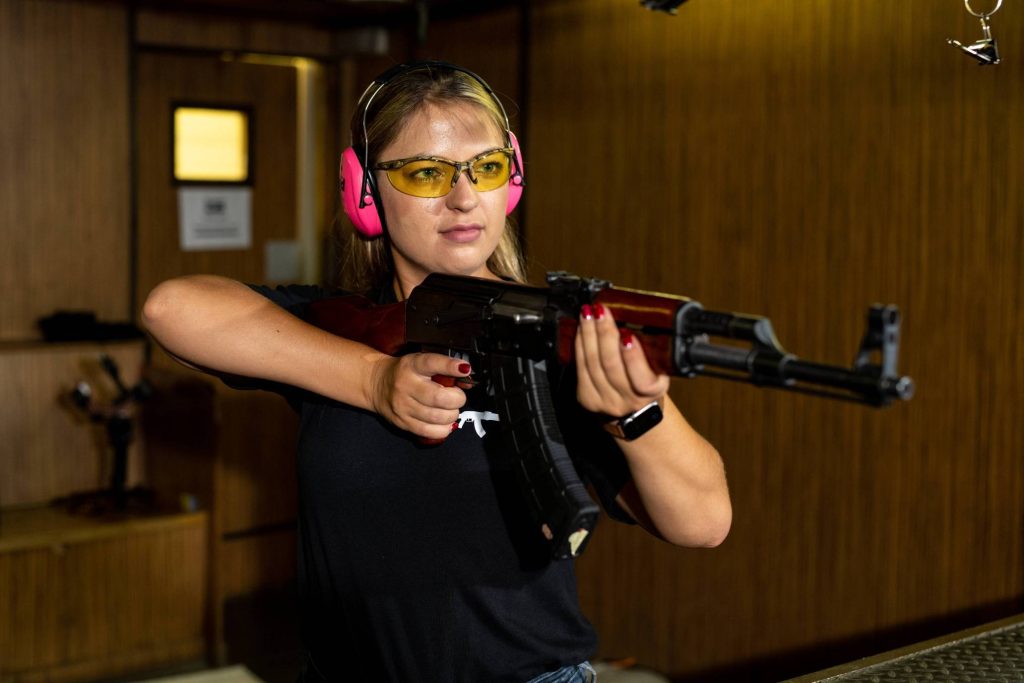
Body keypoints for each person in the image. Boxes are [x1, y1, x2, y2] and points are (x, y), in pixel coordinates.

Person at [142, 61, 731, 683]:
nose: (463, 197)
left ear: (514, 178)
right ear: (364, 192)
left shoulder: (556, 337)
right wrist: (372, 380)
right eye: (426, 172)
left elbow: (703, 523)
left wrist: (635, 412)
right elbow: (171, 308)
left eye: (487, 167)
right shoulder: (343, 326)